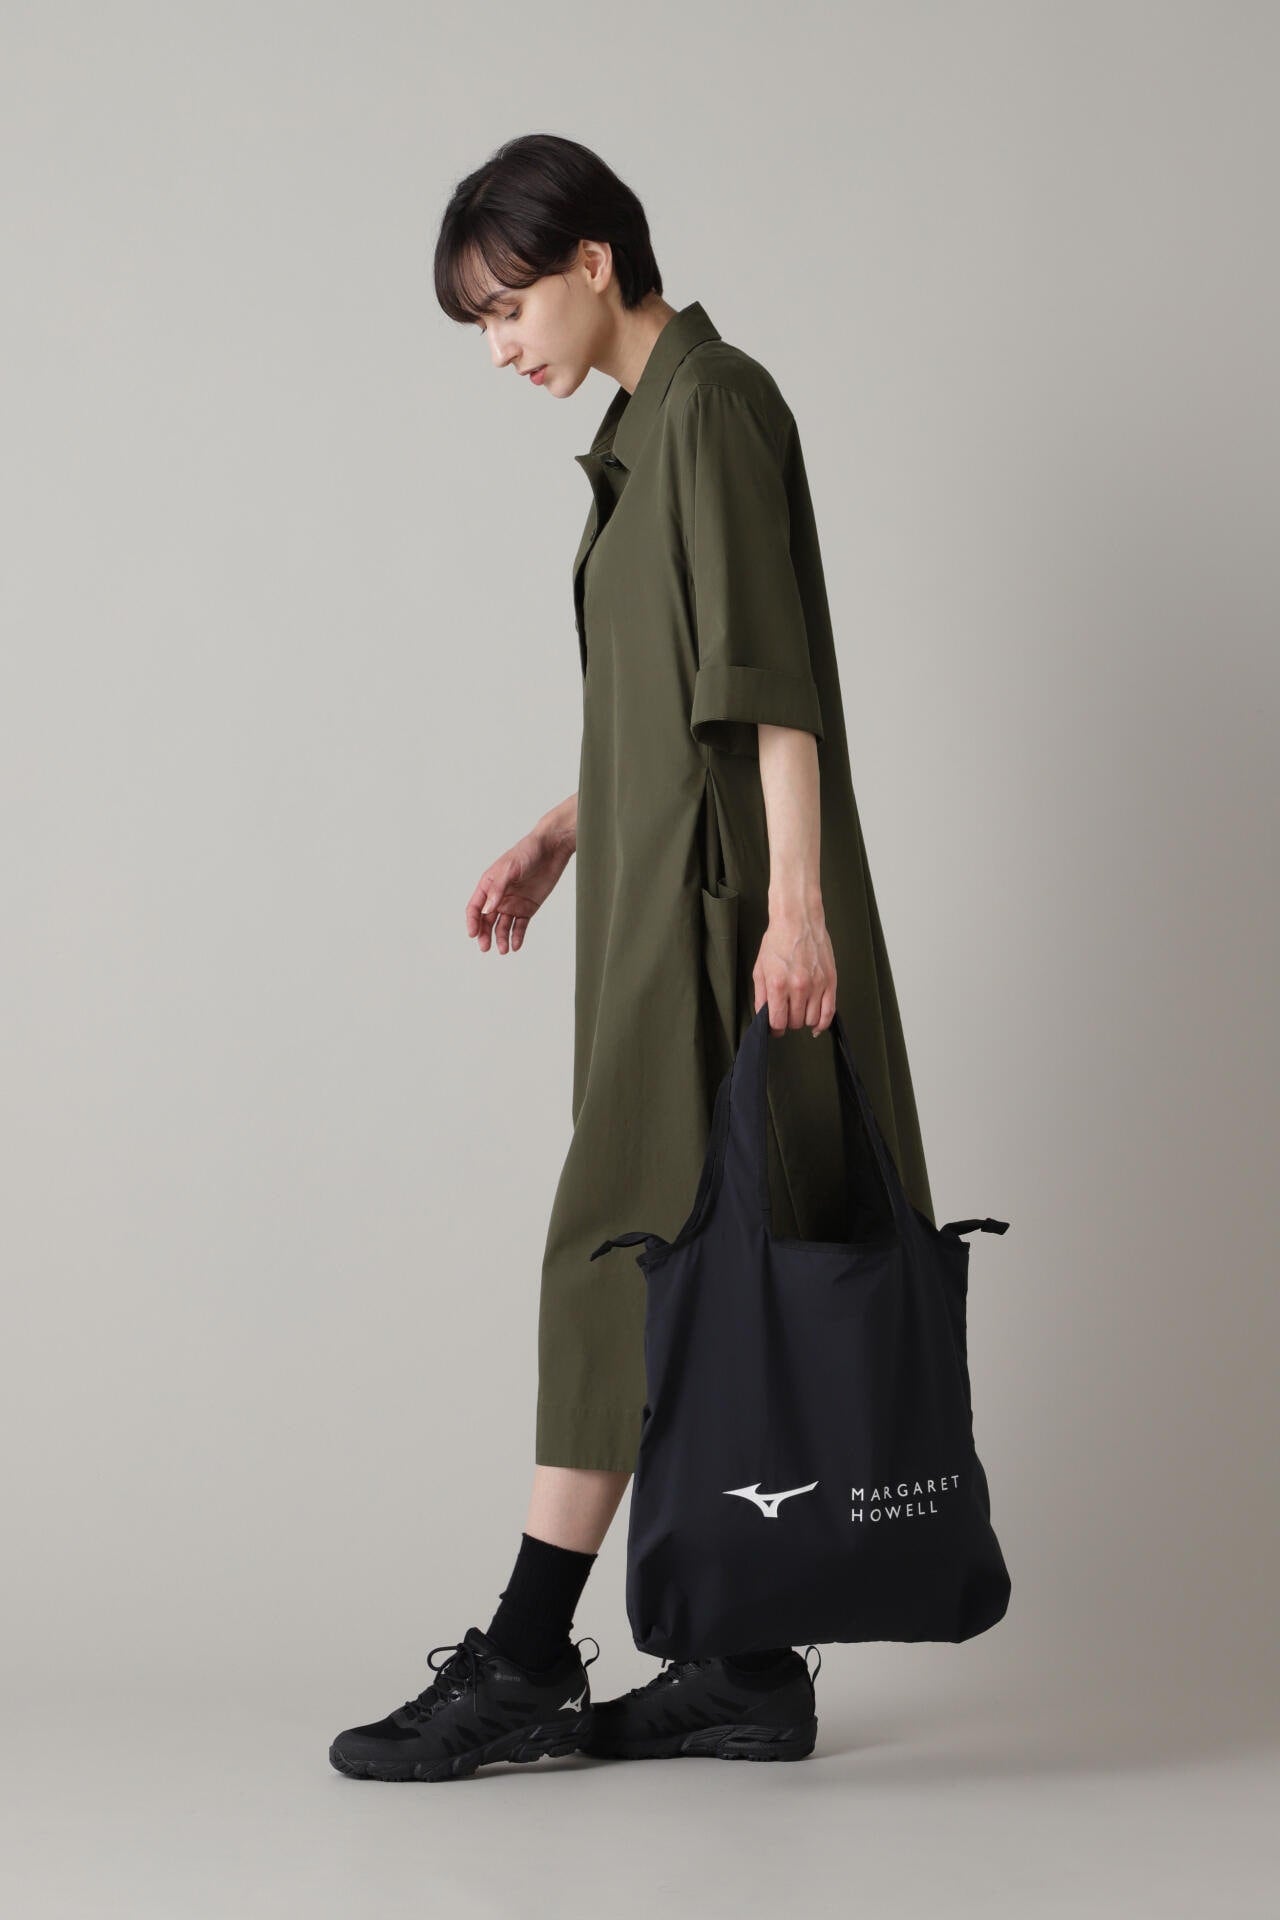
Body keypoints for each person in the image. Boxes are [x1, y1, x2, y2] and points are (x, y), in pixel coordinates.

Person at [329, 134, 935, 1782]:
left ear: (595, 261)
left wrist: (796, 909)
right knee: (711, 1266)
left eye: (507, 306)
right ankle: (746, 1668)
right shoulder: (641, 434)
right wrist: (561, 830)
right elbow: (666, 705)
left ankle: (526, 1659)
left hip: (723, 921)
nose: (499, 347)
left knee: (618, 1249)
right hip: (659, 902)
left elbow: (768, 682)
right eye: (479, 324)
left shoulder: (714, 406)